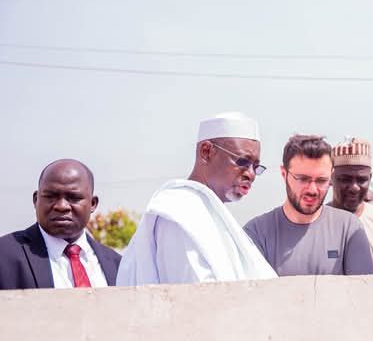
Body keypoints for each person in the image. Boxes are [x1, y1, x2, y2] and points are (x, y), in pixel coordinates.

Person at [117, 112, 277, 285]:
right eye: (242, 162)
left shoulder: (213, 216)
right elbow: (194, 299)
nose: (251, 174)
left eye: (256, 166)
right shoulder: (179, 212)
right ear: (206, 152)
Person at [244, 135, 373, 276]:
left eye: (321, 180)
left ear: (331, 177)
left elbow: (363, 294)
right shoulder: (257, 233)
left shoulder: (349, 229)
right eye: (303, 179)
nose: (312, 189)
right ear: (284, 174)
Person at [0, 159, 121, 289]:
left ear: (92, 204)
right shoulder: (4, 255)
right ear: (36, 200)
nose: (61, 206)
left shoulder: (117, 265)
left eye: (74, 198)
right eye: (51, 196)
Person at [328, 138, 373, 273]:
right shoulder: (317, 222)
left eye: (361, 180)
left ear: (370, 178)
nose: (354, 188)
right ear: (331, 178)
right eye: (345, 179)